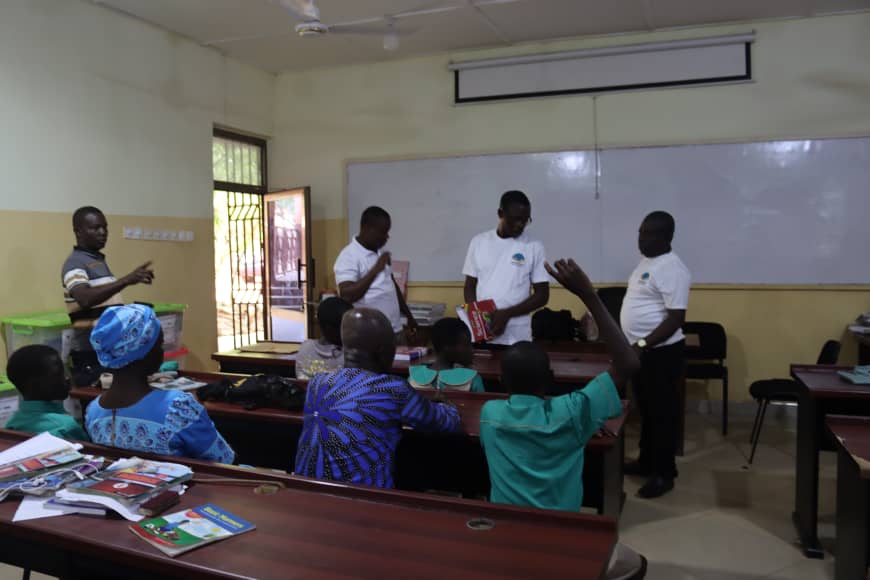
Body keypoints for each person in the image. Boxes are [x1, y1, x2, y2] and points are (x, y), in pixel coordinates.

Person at [480, 258, 646, 580]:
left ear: (501, 382)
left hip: (506, 534)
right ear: (550, 379)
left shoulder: (490, 415)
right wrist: (588, 295)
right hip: (563, 535)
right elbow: (628, 363)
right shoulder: (572, 412)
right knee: (636, 564)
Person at [294, 308, 461, 488]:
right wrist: (447, 404)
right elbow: (447, 423)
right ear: (383, 350)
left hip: (307, 491)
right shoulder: (391, 388)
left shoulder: (317, 383)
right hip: (362, 498)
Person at [84, 304, 235, 463]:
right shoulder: (177, 408)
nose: (162, 351)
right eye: (160, 344)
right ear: (144, 352)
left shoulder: (93, 411)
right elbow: (224, 460)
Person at [620, 211, 691, 499]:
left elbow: (675, 319)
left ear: (667, 237)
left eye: (649, 234)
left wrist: (641, 343)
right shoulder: (646, 263)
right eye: (641, 232)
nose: (642, 239)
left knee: (663, 415)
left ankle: (664, 474)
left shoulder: (673, 268)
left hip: (662, 353)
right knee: (647, 412)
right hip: (642, 352)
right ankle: (647, 461)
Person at [462, 190, 549, 347]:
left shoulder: (534, 246)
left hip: (518, 337)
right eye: (515, 219)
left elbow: (542, 295)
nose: (520, 225)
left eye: (525, 220)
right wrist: (478, 319)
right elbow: (470, 286)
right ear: (500, 214)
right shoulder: (479, 242)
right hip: (484, 334)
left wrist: (507, 314)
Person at [334, 206, 417, 344]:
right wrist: (375, 270)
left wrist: (409, 317)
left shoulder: (380, 252)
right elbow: (347, 295)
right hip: (370, 335)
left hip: (395, 330)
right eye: (383, 232)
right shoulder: (348, 256)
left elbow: (392, 287)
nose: (387, 237)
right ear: (367, 228)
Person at [62, 206, 155, 323]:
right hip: (91, 334)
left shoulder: (97, 260)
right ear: (78, 232)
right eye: (96, 228)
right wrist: (126, 280)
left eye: (105, 227)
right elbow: (85, 299)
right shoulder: (75, 263)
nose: (103, 232)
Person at [5, 345, 89, 440]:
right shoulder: (65, 427)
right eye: (59, 374)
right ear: (35, 385)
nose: (67, 378)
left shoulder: (12, 424)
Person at [408, 317, 485, 392]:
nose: (472, 350)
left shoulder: (412, 378)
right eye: (467, 344)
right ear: (447, 348)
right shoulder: (473, 380)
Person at [295, 297, 353, 380]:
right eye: (347, 327)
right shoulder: (346, 355)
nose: (351, 331)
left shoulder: (305, 347)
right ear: (330, 329)